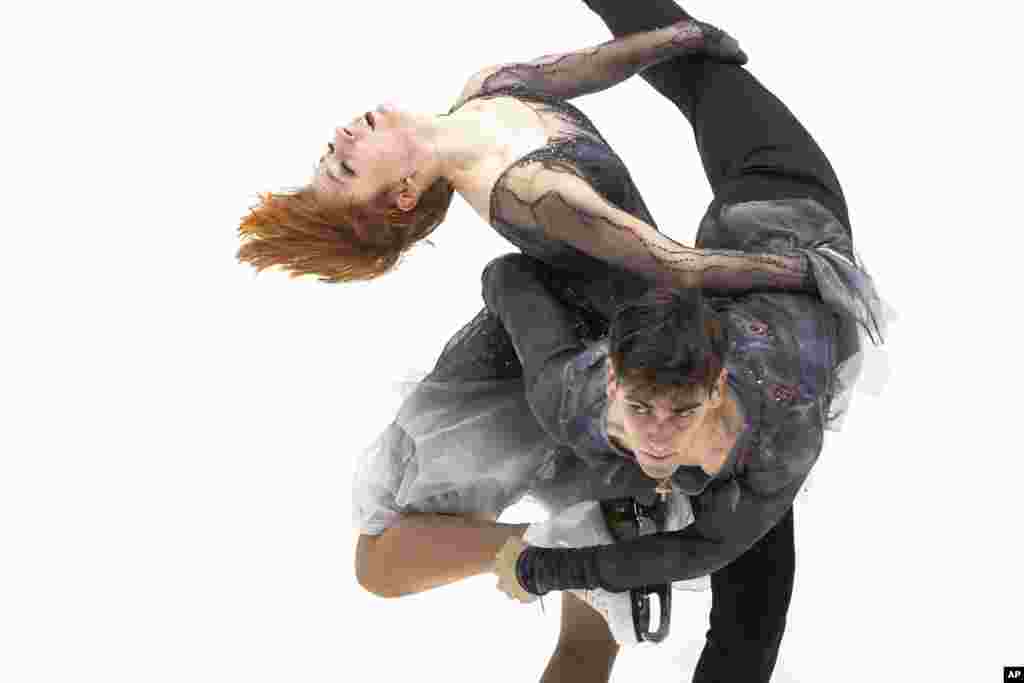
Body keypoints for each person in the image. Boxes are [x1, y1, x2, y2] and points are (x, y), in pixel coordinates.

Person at [240, 0, 887, 681]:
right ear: (403, 193)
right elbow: (673, 264)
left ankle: (592, 539)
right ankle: (557, 538)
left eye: (329, 154)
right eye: (343, 168)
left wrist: (678, 35)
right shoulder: (529, 189)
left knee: (684, 601)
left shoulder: (483, 93)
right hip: (596, 340)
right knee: (380, 559)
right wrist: (794, 270)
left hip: (629, 345)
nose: (338, 140)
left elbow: (589, 69)